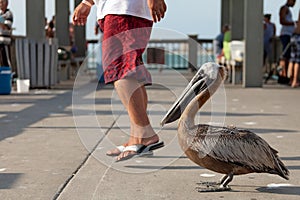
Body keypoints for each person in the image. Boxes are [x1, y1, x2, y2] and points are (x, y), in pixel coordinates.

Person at [72, 0, 167, 161]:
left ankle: (145, 133)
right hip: (121, 10)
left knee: (120, 70)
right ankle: (137, 136)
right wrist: (87, 3)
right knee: (130, 70)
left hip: (123, 10)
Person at [278, 0, 296, 79]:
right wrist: (293, 23)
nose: (294, 3)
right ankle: (283, 74)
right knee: (285, 55)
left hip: (289, 34)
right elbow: (282, 21)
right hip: (285, 34)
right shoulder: (284, 8)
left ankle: (285, 74)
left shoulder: (288, 9)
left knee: (287, 55)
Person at [288, 11, 300, 88]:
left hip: (294, 36)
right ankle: (295, 81)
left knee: (292, 59)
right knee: (298, 60)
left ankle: (291, 80)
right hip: (299, 37)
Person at [0, 0, 13, 67]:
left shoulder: (8, 14)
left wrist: (1, 22)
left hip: (5, 41)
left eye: (2, 2)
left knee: (6, 61)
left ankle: (8, 74)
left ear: (6, 3)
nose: (1, 4)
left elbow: (7, 26)